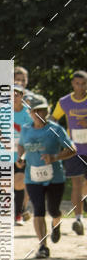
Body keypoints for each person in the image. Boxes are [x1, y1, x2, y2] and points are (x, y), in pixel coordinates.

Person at [18, 98, 76, 258]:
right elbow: (21, 145)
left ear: (47, 112)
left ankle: (56, 224)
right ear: (30, 113)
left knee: (53, 210)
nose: (38, 114)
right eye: (34, 111)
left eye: (41, 110)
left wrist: (55, 157)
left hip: (55, 178)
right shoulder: (26, 129)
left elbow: (72, 149)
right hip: (32, 177)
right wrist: (20, 157)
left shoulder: (55, 129)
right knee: (38, 210)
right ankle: (43, 246)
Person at [52, 70, 87, 235]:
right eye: (77, 83)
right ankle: (78, 220)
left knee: (83, 187)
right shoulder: (64, 102)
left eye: (83, 84)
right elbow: (53, 119)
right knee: (77, 184)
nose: (80, 87)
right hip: (74, 149)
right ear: (73, 84)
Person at [13, 85, 33, 225]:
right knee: (5, 185)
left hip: (22, 153)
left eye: (17, 94)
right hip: (4, 154)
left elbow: (31, 136)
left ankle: (18, 214)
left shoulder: (28, 114)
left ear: (22, 96)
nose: (14, 97)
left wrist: (23, 156)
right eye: (11, 95)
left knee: (19, 182)